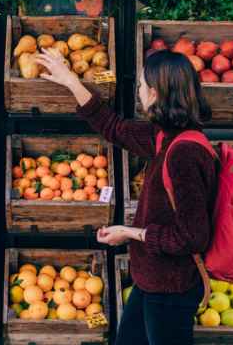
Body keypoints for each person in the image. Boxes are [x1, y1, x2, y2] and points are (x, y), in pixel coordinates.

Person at [35, 49, 217, 345]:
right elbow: (114, 128)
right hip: (152, 279)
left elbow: (192, 237)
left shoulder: (184, 152)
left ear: (155, 93)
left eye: (142, 86)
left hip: (172, 288)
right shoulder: (165, 137)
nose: (139, 92)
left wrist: (130, 233)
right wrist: (71, 81)